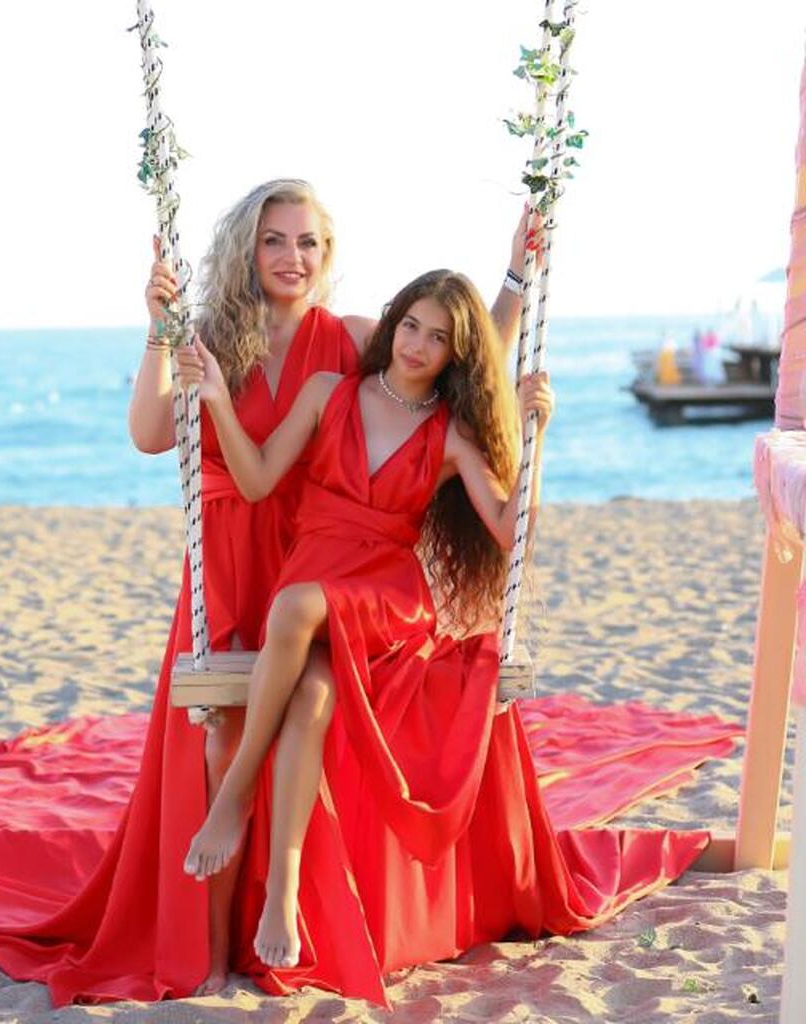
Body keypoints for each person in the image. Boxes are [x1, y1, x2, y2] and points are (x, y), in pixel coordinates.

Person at [175, 270, 709, 988]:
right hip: (315, 577)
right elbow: (257, 480)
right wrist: (216, 400)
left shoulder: (451, 435)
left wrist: (534, 438)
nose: (418, 345)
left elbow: (510, 532)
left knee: (293, 608)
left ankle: (235, 796)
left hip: (384, 599)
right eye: (411, 326)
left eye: (438, 338)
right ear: (394, 322)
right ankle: (284, 894)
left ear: (457, 355)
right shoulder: (328, 393)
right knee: (310, 699)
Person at [127, 180, 536, 993]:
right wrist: (158, 329)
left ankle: (275, 900)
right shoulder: (211, 336)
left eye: (308, 241)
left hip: (325, 562)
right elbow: (148, 433)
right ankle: (213, 952)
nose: (293, 257)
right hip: (238, 551)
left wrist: (516, 280)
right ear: (246, 249)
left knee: (302, 704)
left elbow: (458, 351)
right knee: (222, 732)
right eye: (274, 240)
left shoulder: (351, 339)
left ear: (328, 252)